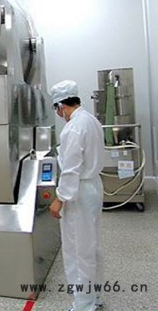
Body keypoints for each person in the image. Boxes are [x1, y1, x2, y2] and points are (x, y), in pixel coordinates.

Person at [49, 80, 104, 311]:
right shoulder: (91, 120)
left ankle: (83, 305)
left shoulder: (73, 128)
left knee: (77, 250)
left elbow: (71, 169)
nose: (59, 115)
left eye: (57, 110)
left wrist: (59, 199)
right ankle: (95, 297)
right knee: (91, 246)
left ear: (61, 106)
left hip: (78, 192)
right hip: (93, 187)